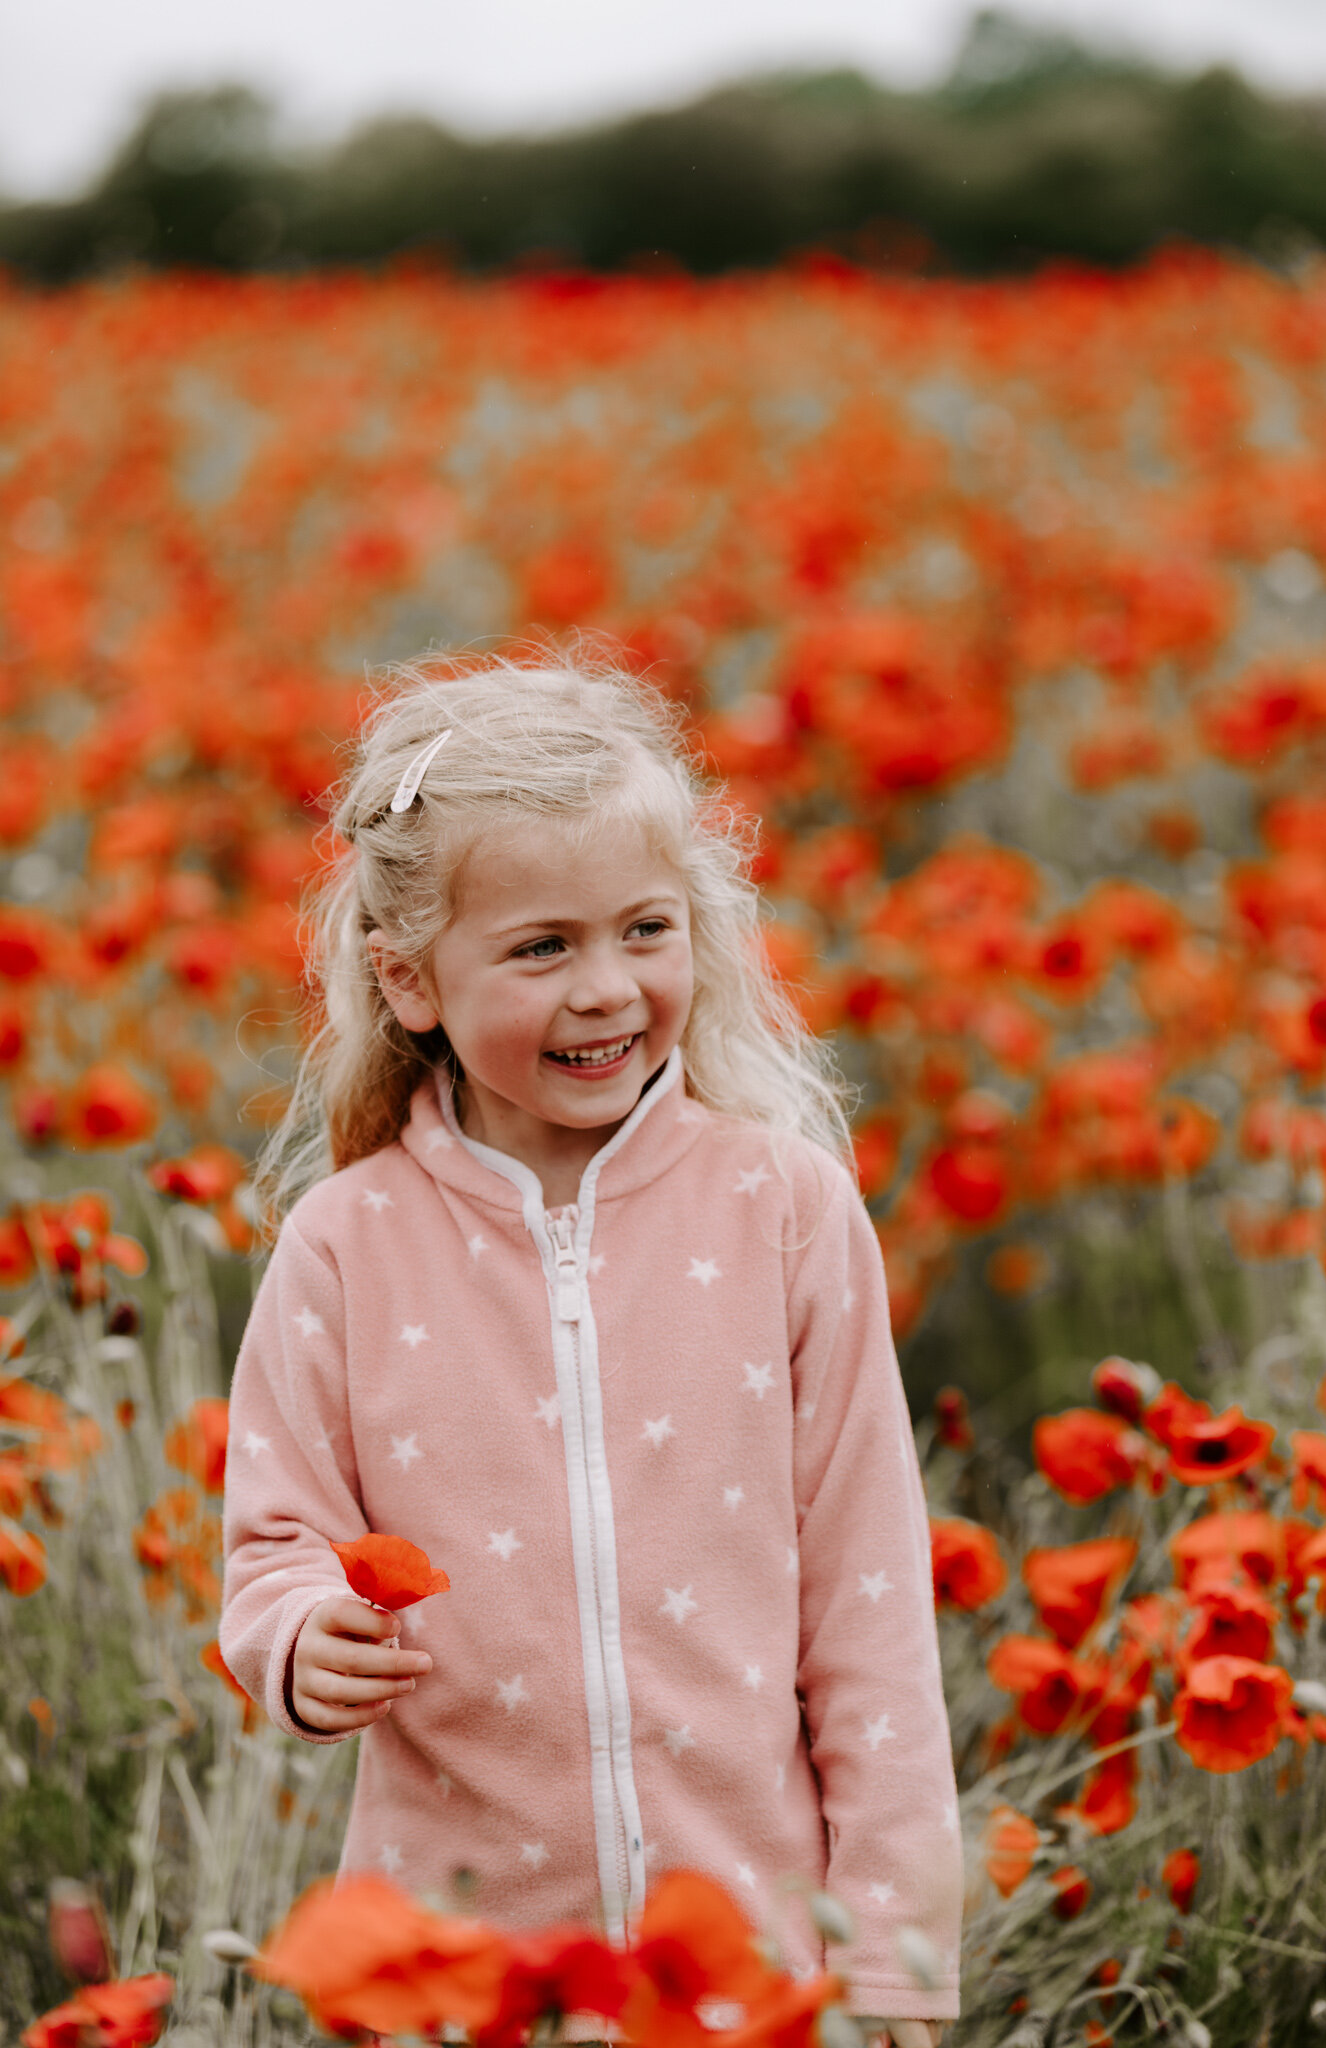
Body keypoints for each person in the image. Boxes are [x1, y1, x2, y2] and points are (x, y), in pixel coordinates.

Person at [221, 651, 962, 2044]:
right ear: (410, 980)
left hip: (746, 1962)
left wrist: (893, 1963)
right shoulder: (345, 1245)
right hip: (457, 1967)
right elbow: (274, 1544)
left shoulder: (782, 1213)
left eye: (645, 929)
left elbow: (871, 1612)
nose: (607, 988)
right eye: (541, 947)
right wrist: (296, 1638)